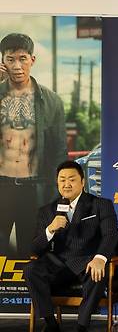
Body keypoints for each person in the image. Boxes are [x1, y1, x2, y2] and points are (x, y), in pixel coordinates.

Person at [25, 160, 118, 332]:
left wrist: (100, 258)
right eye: (62, 180)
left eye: (72, 179)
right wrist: (50, 229)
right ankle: (51, 325)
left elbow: (110, 235)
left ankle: (82, 328)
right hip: (57, 264)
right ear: (57, 183)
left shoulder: (100, 205)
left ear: (82, 182)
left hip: (86, 261)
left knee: (97, 272)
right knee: (31, 269)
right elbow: (34, 249)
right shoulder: (47, 211)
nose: (66, 184)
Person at [0, 33, 66, 256]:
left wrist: (59, 199)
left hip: (34, 189)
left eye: (22, 58)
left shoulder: (52, 101)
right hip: (1, 186)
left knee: (31, 253)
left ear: (32, 60)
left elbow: (59, 152)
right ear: (2, 61)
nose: (17, 66)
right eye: (10, 59)